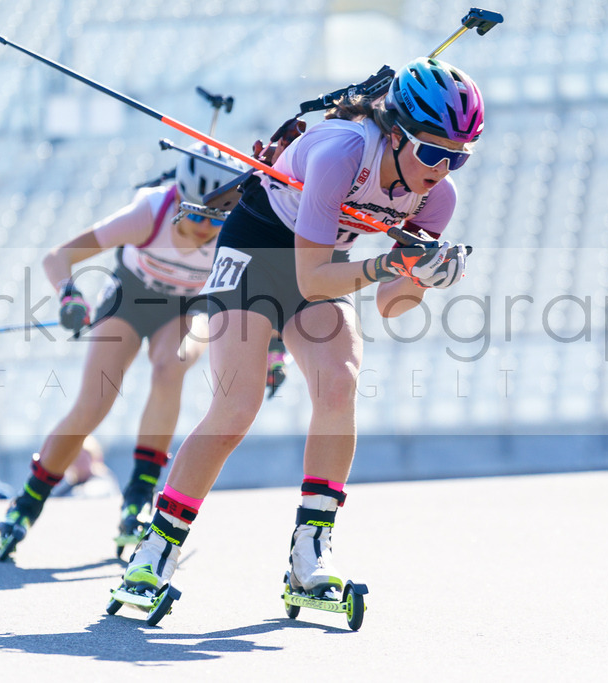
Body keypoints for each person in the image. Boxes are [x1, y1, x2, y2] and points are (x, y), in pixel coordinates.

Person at [120, 57, 481, 602]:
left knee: (340, 382)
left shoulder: (439, 196)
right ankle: (154, 553)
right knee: (236, 406)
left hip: (322, 260)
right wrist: (390, 263)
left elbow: (391, 305)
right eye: (433, 152)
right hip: (258, 249)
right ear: (396, 134)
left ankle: (309, 555)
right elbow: (313, 280)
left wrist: (425, 278)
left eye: (460, 157)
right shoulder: (342, 153)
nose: (443, 169)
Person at [0, 143, 247, 558]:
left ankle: (139, 495)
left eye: (217, 218)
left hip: (189, 307)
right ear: (178, 199)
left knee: (171, 366)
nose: (206, 227)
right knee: (94, 405)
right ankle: (28, 501)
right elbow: (58, 257)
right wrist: (69, 295)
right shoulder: (148, 213)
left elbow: (265, 286)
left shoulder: (238, 227)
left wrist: (276, 351)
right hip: (129, 300)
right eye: (197, 215)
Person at [51, 435, 121, 499]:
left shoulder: (103, 480)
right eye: (76, 458)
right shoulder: (68, 481)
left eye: (83, 459)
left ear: (93, 458)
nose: (79, 463)